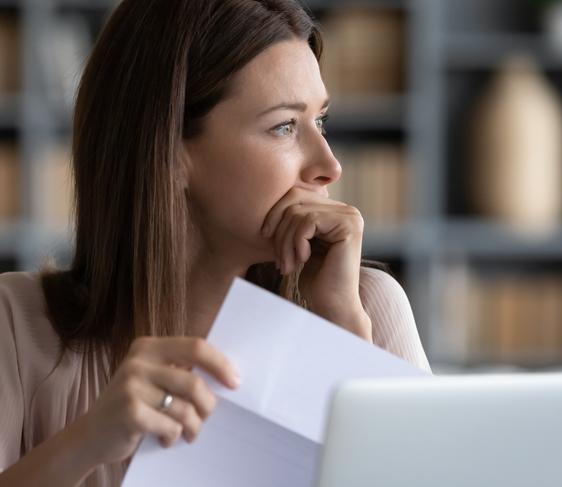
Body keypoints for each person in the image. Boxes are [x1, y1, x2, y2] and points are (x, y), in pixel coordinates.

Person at [0, 0, 431, 485]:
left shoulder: (368, 306)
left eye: (321, 122)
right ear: (170, 154)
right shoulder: (15, 327)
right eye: (285, 126)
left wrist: (344, 338)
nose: (329, 164)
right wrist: (88, 442)